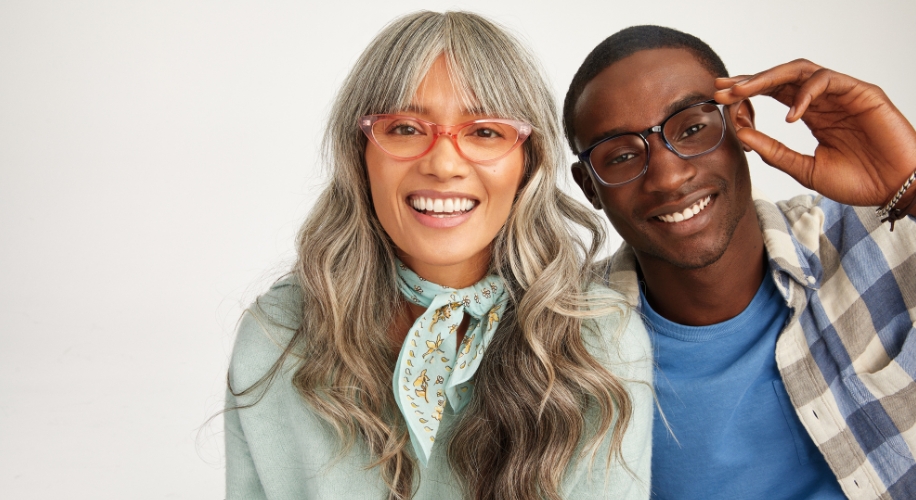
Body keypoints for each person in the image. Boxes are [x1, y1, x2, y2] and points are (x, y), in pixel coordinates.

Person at [225, 11, 653, 500]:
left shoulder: (599, 341)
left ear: (527, 163)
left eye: (485, 131)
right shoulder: (279, 333)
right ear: (359, 155)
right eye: (405, 128)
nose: (444, 164)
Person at [563, 25, 916, 499]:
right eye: (622, 155)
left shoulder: (884, 231)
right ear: (589, 187)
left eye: (691, 129)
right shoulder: (565, 352)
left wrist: (912, 183)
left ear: (740, 120)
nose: (669, 177)